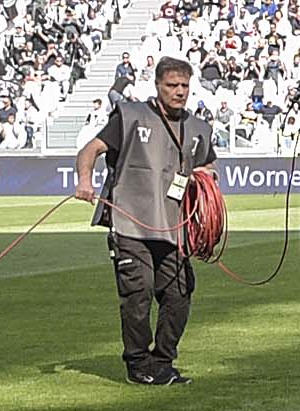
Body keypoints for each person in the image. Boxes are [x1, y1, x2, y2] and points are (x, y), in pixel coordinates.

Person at [77, 56, 217, 386]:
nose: (179, 92)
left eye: (184, 85)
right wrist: (85, 180)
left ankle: (162, 361)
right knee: (137, 292)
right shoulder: (129, 115)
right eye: (172, 85)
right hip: (130, 222)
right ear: (157, 86)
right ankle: (138, 363)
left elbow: (209, 167)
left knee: (179, 294)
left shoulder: (199, 128)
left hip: (175, 226)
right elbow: (91, 149)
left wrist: (206, 180)